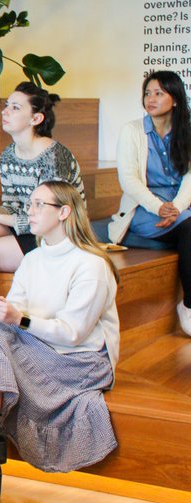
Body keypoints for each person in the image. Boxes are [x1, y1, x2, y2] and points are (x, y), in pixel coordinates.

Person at [0, 180, 119, 498]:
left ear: (64, 212)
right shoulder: (34, 259)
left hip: (79, 361)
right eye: (30, 204)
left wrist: (17, 318)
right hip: (40, 348)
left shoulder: (91, 265)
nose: (29, 211)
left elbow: (73, 333)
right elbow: (16, 311)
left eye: (39, 205)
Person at [0, 82, 84, 362]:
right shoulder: (8, 154)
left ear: (36, 119)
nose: (5, 111)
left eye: (15, 107)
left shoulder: (54, 156)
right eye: (6, 105)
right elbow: (13, 204)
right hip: (26, 225)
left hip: (55, 235)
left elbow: (48, 215)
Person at [108, 71, 191, 336]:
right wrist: (160, 207)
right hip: (144, 209)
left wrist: (176, 207)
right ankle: (188, 306)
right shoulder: (132, 131)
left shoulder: (186, 131)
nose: (151, 99)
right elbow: (128, 180)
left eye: (159, 93)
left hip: (181, 207)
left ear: (175, 99)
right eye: (147, 93)